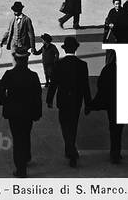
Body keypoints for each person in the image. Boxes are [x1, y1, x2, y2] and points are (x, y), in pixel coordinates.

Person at [0, 46, 43, 178]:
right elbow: (38, 95)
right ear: (27, 60)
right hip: (28, 112)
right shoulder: (33, 75)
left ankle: (20, 169)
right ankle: (26, 157)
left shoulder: (9, 74)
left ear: (15, 59)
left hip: (14, 112)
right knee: (26, 134)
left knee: (17, 138)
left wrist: (4, 102)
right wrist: (38, 113)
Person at [48, 36, 92, 167]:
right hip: (76, 100)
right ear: (76, 48)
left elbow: (53, 84)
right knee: (73, 125)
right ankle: (71, 149)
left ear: (65, 49)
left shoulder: (59, 64)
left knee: (64, 124)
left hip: (63, 100)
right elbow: (85, 86)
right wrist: (88, 103)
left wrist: (49, 99)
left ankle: (70, 149)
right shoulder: (82, 65)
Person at [90, 49, 122, 163]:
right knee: (119, 129)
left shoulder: (108, 69)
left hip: (111, 102)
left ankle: (114, 153)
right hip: (121, 102)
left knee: (113, 127)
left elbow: (101, 84)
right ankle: (116, 152)